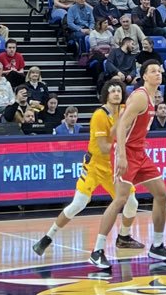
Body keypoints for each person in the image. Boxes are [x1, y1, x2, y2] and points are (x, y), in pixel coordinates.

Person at [32, 81, 143, 256]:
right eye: (112, 91)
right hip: (95, 165)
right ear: (106, 94)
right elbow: (105, 147)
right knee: (78, 204)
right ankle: (47, 237)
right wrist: (123, 137)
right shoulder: (100, 115)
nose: (116, 93)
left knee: (132, 202)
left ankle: (124, 237)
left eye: (119, 90)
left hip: (112, 167)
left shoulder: (124, 110)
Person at [88, 61, 166, 269]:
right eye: (153, 71)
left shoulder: (153, 96)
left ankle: (157, 245)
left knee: (162, 194)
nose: (158, 73)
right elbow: (121, 126)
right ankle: (97, 250)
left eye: (159, 70)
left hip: (140, 153)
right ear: (144, 76)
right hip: (127, 152)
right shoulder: (139, 96)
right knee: (120, 199)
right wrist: (120, 155)